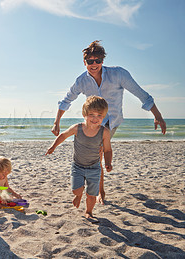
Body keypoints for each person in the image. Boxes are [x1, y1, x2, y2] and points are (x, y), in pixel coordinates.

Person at [51, 40, 166, 204]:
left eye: (97, 60)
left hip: (112, 120)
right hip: (94, 121)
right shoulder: (81, 81)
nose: (94, 64)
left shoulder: (119, 74)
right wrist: (57, 121)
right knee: (97, 155)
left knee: (98, 153)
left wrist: (157, 115)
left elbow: (140, 94)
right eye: (90, 61)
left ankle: (99, 191)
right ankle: (100, 191)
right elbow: (66, 100)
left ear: (102, 61)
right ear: (85, 62)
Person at [46, 96, 112, 221]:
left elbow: (108, 149)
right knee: (76, 190)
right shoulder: (78, 128)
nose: (95, 118)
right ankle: (78, 195)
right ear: (84, 114)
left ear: (104, 117)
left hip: (94, 167)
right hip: (78, 166)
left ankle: (89, 211)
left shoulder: (104, 132)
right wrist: (53, 146)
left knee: (91, 195)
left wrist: (108, 162)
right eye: (91, 114)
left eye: (99, 116)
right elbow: (63, 135)